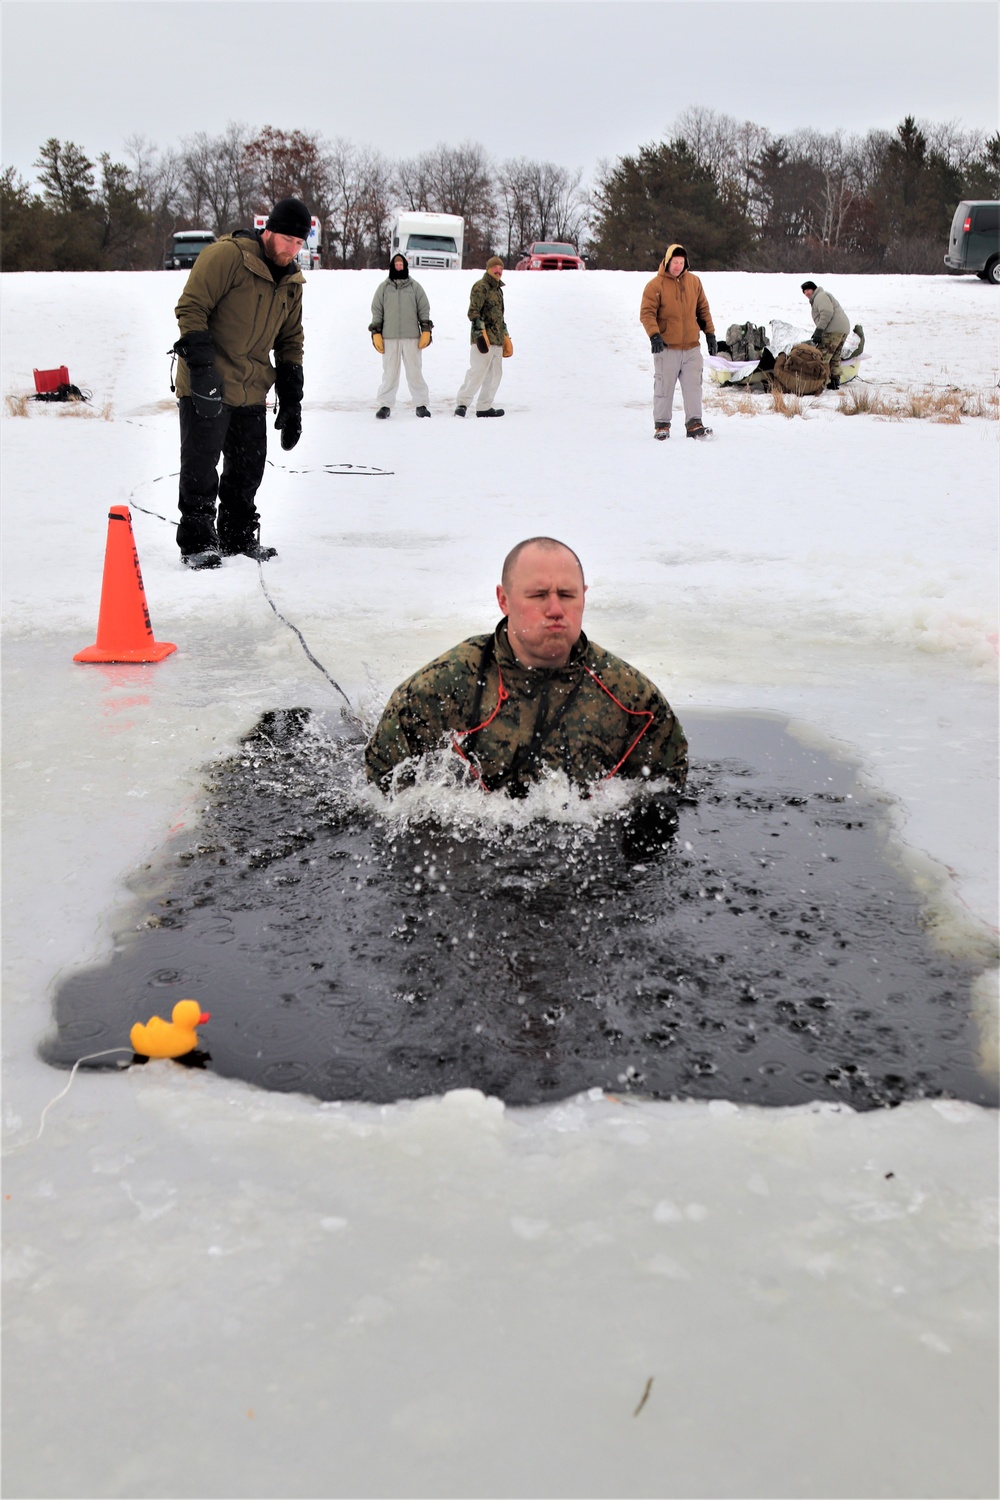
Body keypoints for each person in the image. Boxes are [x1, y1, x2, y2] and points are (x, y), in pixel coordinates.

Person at [365, 537, 688, 796]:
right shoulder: (440, 688)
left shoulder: (634, 702)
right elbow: (381, 790)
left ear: (584, 597)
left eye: (567, 594)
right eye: (538, 595)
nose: (555, 609)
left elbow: (666, 792)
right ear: (503, 600)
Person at [172, 196, 309, 569]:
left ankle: (237, 535)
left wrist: (292, 399)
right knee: (201, 466)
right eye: (287, 240)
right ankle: (198, 541)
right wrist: (201, 370)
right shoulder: (228, 257)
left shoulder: (292, 281)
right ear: (269, 230)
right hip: (209, 381)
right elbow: (191, 307)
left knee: (249, 468)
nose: (292, 249)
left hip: (251, 386)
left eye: (299, 243)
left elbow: (290, 340)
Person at [639, 243, 716, 441]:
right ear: (667, 261)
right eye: (675, 262)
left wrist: (710, 334)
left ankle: (694, 424)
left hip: (691, 347)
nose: (678, 266)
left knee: (693, 388)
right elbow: (647, 313)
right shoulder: (655, 286)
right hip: (667, 347)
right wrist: (654, 335)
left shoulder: (694, 282)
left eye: (681, 263)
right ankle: (662, 426)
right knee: (664, 388)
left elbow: (703, 310)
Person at [368, 253, 433, 418]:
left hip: (411, 337)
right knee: (389, 372)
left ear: (405, 266)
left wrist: (426, 329)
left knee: (414, 371)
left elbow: (423, 308)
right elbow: (377, 310)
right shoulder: (383, 288)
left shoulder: (414, 287)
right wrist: (376, 332)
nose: (398, 267)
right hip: (389, 337)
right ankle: (385, 405)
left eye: (401, 264)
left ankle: (421, 404)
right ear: (392, 266)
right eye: (396, 264)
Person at [455, 256, 512, 417]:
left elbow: (500, 317)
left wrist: (506, 335)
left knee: (495, 374)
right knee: (477, 372)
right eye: (495, 268)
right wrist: (480, 334)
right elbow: (473, 312)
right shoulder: (481, 287)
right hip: (483, 339)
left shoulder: (498, 291)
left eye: (501, 268)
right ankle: (462, 404)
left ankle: (484, 406)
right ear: (488, 269)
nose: (498, 271)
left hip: (497, 340)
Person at [801, 281, 851, 390]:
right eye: (804, 292)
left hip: (833, 331)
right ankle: (834, 381)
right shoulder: (821, 296)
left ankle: (818, 383)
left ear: (813, 289)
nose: (806, 293)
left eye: (808, 290)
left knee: (822, 356)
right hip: (842, 329)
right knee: (835, 356)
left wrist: (819, 330)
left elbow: (827, 313)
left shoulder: (820, 296)